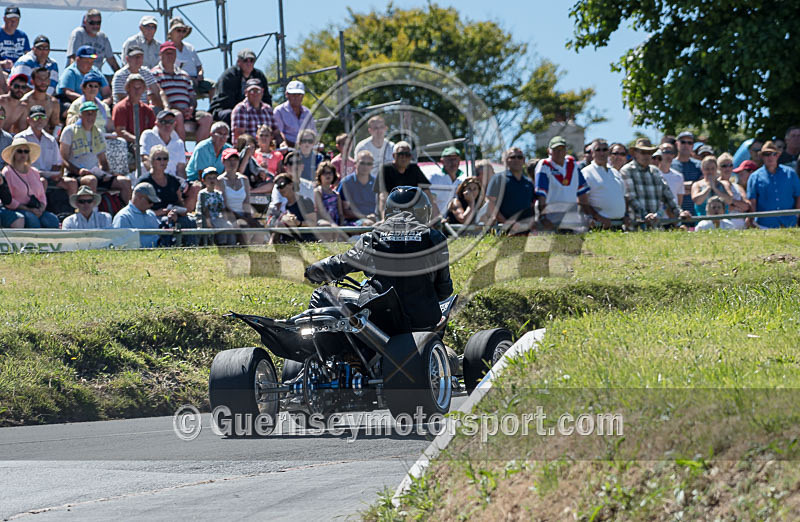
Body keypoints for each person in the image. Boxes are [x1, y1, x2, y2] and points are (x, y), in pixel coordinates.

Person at [304, 186, 453, 331]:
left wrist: (312, 271)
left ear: (389, 211)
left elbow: (341, 263)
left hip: (379, 320)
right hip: (423, 320)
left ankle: (314, 347)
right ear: (423, 211)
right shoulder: (435, 238)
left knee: (322, 293)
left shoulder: (374, 237)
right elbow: (445, 291)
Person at [60, 101, 131, 203]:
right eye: (87, 113)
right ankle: (92, 213)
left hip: (95, 173)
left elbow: (103, 160)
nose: (90, 116)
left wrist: (105, 174)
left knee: (125, 182)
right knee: (91, 180)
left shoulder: (98, 133)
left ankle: (126, 213)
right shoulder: (69, 131)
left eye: (93, 113)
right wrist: (78, 171)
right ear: (80, 115)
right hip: (75, 174)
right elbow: (63, 158)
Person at [621, 138, 690, 227]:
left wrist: (679, 212)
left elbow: (667, 195)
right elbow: (630, 197)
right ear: (635, 154)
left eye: (649, 153)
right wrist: (645, 215)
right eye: (643, 152)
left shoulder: (655, 171)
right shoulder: (627, 170)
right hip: (636, 224)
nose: (646, 156)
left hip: (655, 225)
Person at [138, 144, 197, 245]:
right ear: (152, 161)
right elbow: (139, 208)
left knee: (190, 220)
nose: (162, 162)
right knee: (165, 221)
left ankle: (192, 248)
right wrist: (160, 212)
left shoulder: (173, 181)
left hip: (173, 214)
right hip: (153, 216)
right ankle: (166, 247)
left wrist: (179, 211)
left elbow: (180, 202)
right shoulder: (144, 181)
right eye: (159, 159)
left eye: (165, 159)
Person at [151, 41, 211, 141]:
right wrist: (177, 109)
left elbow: (192, 96)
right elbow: (156, 96)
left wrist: (191, 108)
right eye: (167, 53)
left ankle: (199, 152)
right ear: (161, 55)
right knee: (178, 116)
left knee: (206, 118)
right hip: (168, 110)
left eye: (172, 53)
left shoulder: (184, 74)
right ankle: (181, 150)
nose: (170, 56)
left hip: (187, 110)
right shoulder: (155, 73)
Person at [534, 135, 595, 232]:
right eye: (555, 149)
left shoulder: (573, 164)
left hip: (571, 220)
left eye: (561, 149)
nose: (559, 152)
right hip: (551, 219)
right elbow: (541, 194)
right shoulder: (544, 165)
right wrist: (543, 217)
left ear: (566, 150)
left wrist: (588, 215)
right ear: (549, 151)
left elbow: (582, 192)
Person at [16, 104, 75, 200]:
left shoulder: (51, 140)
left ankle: (75, 211)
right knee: (42, 181)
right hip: (27, 177)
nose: (39, 120)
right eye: (36, 117)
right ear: (28, 120)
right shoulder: (21, 138)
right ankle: (39, 209)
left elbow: (57, 164)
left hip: (49, 177)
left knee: (72, 183)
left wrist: (55, 174)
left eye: (42, 117)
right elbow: (16, 163)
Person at [1, 136, 58, 228]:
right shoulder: (7, 172)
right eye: (19, 151)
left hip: (36, 208)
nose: (23, 154)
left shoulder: (34, 172)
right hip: (18, 209)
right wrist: (28, 209)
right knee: (32, 220)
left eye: (26, 151)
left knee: (53, 220)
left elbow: (42, 195)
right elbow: (8, 200)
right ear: (13, 154)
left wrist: (41, 208)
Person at [746, 141, 800, 229]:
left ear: (778, 155)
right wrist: (753, 220)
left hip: (790, 223)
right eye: (766, 154)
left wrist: (797, 215)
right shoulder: (754, 177)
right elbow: (752, 201)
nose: (770, 157)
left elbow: (798, 195)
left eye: (773, 154)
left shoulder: (790, 173)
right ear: (761, 156)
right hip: (764, 224)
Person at [209, 48, 271, 126]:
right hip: (225, 109)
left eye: (251, 60)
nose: (249, 63)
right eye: (245, 60)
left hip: (252, 108)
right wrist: (244, 110)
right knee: (231, 115)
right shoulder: (229, 76)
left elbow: (266, 97)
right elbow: (225, 101)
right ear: (239, 62)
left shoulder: (259, 76)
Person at [375, 141, 435, 219]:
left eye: (407, 155)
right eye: (400, 154)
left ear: (410, 157)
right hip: (391, 214)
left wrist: (435, 217)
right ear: (394, 156)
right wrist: (384, 219)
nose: (404, 157)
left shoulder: (414, 169)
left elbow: (428, 194)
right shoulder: (385, 169)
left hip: (410, 216)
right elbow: (383, 196)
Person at [580, 138, 627, 229]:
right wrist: (599, 217)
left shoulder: (615, 172)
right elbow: (582, 201)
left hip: (618, 225)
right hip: (599, 226)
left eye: (605, 150)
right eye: (598, 150)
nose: (602, 153)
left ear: (608, 152)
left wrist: (626, 215)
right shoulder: (586, 172)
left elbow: (623, 197)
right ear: (592, 152)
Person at [218, 147, 262, 244]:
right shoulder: (219, 181)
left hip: (243, 215)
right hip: (227, 217)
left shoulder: (244, 180)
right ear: (223, 162)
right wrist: (243, 218)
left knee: (260, 229)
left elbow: (246, 202)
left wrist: (249, 217)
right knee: (242, 225)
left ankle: (256, 250)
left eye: (235, 159)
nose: (233, 163)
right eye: (229, 160)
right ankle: (244, 250)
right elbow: (224, 207)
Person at [486, 147, 535, 232]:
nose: (516, 160)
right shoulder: (498, 179)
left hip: (525, 231)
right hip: (503, 230)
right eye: (512, 157)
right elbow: (491, 205)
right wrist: (507, 223)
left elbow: (532, 205)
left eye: (519, 157)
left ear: (524, 160)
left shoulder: (529, 182)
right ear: (505, 160)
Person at [56, 45, 110, 116]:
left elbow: (106, 93)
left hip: (98, 104)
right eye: (87, 61)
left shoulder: (96, 71)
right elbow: (68, 92)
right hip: (78, 104)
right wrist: (88, 100)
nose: (90, 64)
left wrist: (104, 103)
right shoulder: (70, 72)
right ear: (78, 59)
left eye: (92, 61)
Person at [166, 17, 212, 99]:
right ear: (172, 32)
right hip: (179, 81)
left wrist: (200, 74)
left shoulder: (190, 47)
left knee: (214, 86)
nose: (181, 33)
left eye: (183, 31)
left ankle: (214, 109)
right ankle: (191, 109)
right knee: (191, 85)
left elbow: (199, 66)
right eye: (178, 30)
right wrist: (190, 78)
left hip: (197, 80)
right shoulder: (168, 49)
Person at [268, 173, 316, 244]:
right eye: (278, 187)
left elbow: (313, 223)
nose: (280, 189)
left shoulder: (305, 201)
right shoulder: (286, 206)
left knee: (280, 225)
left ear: (291, 184)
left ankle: (270, 247)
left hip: (307, 239)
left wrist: (298, 223)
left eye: (282, 185)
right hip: (290, 240)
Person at [140, 109, 186, 181]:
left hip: (171, 183)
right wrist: (158, 177)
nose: (167, 125)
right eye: (163, 122)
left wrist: (182, 185)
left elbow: (181, 169)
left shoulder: (179, 143)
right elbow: (145, 159)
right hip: (149, 180)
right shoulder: (148, 135)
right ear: (156, 123)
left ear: (175, 124)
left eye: (170, 122)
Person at [112, 182, 161, 248]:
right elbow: (120, 246)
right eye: (150, 201)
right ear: (139, 196)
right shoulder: (123, 217)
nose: (152, 205)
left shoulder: (151, 214)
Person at [195, 166, 235, 245]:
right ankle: (221, 244)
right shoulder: (202, 193)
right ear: (204, 181)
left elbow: (222, 209)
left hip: (216, 218)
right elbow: (205, 210)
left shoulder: (218, 194)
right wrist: (209, 224)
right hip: (204, 219)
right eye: (209, 178)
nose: (212, 180)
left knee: (229, 225)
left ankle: (232, 245)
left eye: (214, 178)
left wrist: (225, 220)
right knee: (220, 225)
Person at [112, 74, 156, 143]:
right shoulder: (120, 107)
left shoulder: (148, 110)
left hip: (145, 144)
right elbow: (120, 131)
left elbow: (153, 129)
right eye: (134, 87)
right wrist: (137, 140)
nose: (137, 90)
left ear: (143, 89)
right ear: (128, 88)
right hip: (128, 145)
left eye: (139, 87)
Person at [338, 149, 377, 225]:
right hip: (353, 222)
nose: (365, 167)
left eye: (369, 164)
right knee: (368, 223)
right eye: (362, 163)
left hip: (375, 220)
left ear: (372, 166)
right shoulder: (346, 183)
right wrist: (365, 217)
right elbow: (345, 211)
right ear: (355, 164)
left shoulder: (376, 183)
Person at [271, 80, 314, 147]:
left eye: (299, 95)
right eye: (293, 95)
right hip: (288, 149)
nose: (296, 98)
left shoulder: (307, 112)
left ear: (303, 96)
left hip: (307, 148)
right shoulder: (279, 111)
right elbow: (278, 133)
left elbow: (313, 133)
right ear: (287, 95)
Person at [427, 146, 465, 217]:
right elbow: (430, 201)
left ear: (459, 160)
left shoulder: (461, 182)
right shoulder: (435, 178)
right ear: (442, 161)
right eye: (449, 159)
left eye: (455, 159)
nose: (453, 162)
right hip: (435, 223)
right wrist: (438, 220)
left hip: (451, 224)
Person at [19, 66, 60, 132]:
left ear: (49, 81)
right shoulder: (25, 102)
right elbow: (20, 128)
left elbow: (56, 126)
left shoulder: (53, 103)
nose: (43, 82)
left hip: (46, 139)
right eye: (40, 79)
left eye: (46, 79)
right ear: (32, 81)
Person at [671, 131, 703, 215]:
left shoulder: (699, 165)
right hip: (675, 213)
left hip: (696, 213)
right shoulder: (670, 165)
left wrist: (680, 187)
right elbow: (669, 187)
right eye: (683, 142)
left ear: (692, 145)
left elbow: (703, 185)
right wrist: (691, 185)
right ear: (677, 143)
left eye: (689, 143)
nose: (686, 145)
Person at [717, 152, 749, 229]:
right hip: (723, 228)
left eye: (730, 165)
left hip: (740, 227)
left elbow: (746, 206)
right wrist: (738, 206)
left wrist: (732, 203)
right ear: (718, 168)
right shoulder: (716, 185)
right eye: (724, 166)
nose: (727, 168)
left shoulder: (738, 187)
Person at [654, 142, 685, 209]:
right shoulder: (653, 174)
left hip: (673, 217)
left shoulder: (679, 176)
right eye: (665, 151)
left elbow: (679, 201)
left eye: (671, 152)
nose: (669, 155)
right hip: (656, 217)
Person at [0, 6, 29, 72]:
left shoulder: (23, 36)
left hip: (18, 71)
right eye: (10, 20)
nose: (13, 22)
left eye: (16, 19)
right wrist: (2, 63)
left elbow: (29, 56)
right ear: (4, 19)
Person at [314, 161, 343, 226]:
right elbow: (322, 211)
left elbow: (341, 214)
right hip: (323, 223)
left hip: (336, 224)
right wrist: (332, 224)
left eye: (330, 173)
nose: (328, 175)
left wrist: (342, 225)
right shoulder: (318, 192)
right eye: (324, 173)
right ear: (320, 175)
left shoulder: (336, 195)